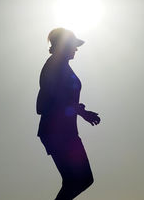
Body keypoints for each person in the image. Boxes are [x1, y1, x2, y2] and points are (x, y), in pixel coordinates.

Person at [36, 27, 101, 200]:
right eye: (73, 45)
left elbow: (60, 99)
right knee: (80, 180)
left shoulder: (61, 66)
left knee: (77, 180)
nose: (76, 49)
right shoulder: (55, 66)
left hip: (64, 132)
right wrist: (79, 110)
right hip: (57, 132)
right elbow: (43, 105)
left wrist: (79, 110)